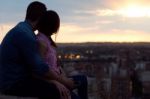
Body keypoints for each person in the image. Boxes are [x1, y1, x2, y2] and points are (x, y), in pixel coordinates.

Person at [0, 1, 65, 99]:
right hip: (13, 83)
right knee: (54, 91)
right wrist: (62, 81)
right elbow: (40, 67)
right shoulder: (25, 35)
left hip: (10, 80)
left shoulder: (23, 29)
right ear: (40, 18)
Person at [36, 10, 88, 99]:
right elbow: (41, 70)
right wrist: (63, 82)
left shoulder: (47, 40)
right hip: (52, 83)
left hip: (59, 78)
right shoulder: (41, 43)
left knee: (83, 79)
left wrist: (64, 78)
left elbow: (56, 66)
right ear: (52, 25)